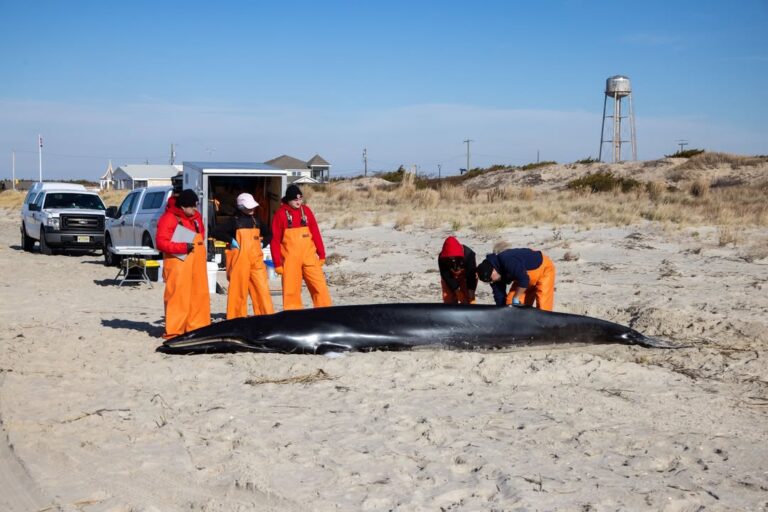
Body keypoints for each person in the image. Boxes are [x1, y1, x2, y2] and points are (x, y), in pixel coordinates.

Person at [156, 189, 211, 338]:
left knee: (199, 294)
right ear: (182, 206)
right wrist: (183, 247)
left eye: (195, 206)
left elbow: (202, 234)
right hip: (177, 263)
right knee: (177, 296)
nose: (195, 209)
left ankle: (197, 327)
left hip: (196, 262)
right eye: (192, 207)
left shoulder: (196, 217)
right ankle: (175, 331)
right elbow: (161, 243)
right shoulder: (168, 218)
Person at [270, 184, 332, 310]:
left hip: (309, 257)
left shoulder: (307, 211)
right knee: (291, 291)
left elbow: (315, 233)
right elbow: (275, 240)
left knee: (319, 287)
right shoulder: (280, 214)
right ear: (288, 199)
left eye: (300, 199)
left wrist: (322, 254)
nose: (298, 202)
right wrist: (277, 263)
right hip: (290, 260)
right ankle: (294, 317)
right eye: (295, 199)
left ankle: (325, 312)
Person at [212, 192, 274, 319]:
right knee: (238, 291)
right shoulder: (234, 222)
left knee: (262, 290)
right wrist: (230, 239)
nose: (251, 209)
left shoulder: (256, 221)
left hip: (256, 261)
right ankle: (236, 318)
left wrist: (263, 244)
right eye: (248, 207)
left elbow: (269, 234)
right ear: (241, 207)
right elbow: (215, 231)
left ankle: (266, 317)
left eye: (252, 206)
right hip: (240, 261)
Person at [476, 248, 556, 311]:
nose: (492, 282)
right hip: (524, 279)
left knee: (543, 306)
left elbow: (524, 280)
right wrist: (502, 313)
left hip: (544, 270)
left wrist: (516, 298)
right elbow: (499, 296)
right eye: (489, 281)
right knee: (510, 305)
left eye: (490, 279)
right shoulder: (494, 277)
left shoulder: (506, 259)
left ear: (493, 270)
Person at [437, 236, 478, 304]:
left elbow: (471, 275)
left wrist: (471, 293)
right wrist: (457, 291)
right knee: (449, 300)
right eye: (450, 258)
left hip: (466, 277)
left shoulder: (469, 255)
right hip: (450, 277)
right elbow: (445, 275)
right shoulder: (442, 257)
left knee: (468, 299)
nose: (453, 259)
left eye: (454, 257)